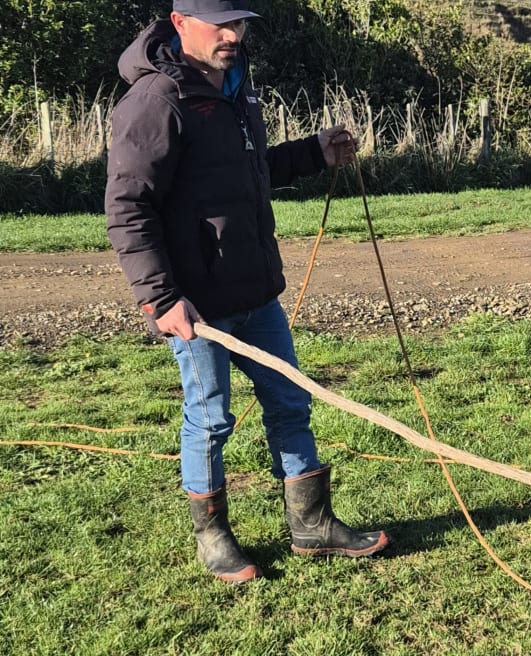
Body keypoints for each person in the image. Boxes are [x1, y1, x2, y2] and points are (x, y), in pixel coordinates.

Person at [105, 0, 390, 583]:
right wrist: (160, 298)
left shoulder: (236, 88)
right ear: (181, 23)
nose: (233, 35)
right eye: (221, 24)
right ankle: (213, 538)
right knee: (210, 418)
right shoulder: (156, 101)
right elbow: (128, 207)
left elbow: (249, 167)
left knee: (290, 402)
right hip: (197, 305)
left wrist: (314, 151)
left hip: (257, 292)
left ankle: (311, 525)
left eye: (240, 24)